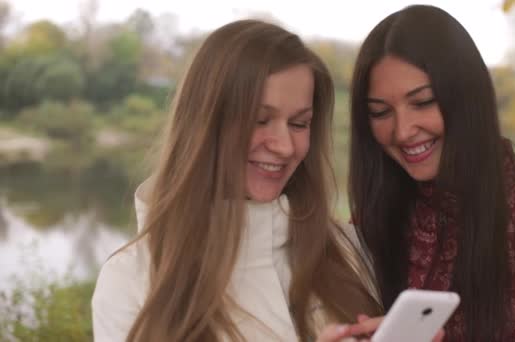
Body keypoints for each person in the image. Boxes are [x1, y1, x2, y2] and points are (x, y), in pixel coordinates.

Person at [91, 19, 384, 342]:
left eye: (300, 124)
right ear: (204, 122)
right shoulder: (130, 279)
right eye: (260, 120)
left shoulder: (348, 250)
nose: (285, 146)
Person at [348, 4, 515, 341]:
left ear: (468, 97)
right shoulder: (365, 228)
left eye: (423, 102)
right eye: (380, 112)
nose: (402, 131)